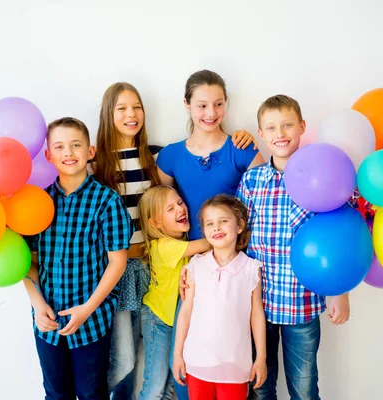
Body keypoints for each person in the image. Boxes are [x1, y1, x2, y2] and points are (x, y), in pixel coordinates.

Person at [157, 69, 265, 399]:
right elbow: (160, 210)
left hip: (235, 265)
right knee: (189, 359)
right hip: (191, 268)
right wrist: (183, 255)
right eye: (202, 105)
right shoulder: (171, 155)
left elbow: (261, 205)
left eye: (218, 104)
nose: (211, 113)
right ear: (187, 105)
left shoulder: (242, 148)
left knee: (234, 351)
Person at [236, 95, 350, 400]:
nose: (280, 133)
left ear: (301, 127)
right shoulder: (251, 181)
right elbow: (238, 238)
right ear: (261, 134)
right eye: (271, 128)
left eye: (287, 125)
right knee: (260, 387)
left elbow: (338, 238)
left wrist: (340, 291)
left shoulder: (323, 178)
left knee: (304, 387)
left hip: (302, 302)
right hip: (257, 304)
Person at [23, 117, 133, 400]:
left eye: (75, 145)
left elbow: (117, 262)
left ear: (90, 151)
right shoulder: (38, 202)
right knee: (56, 393)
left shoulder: (107, 201)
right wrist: (37, 305)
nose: (68, 153)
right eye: (59, 147)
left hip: (91, 320)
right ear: (49, 155)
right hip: (48, 321)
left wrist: (87, 308)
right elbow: (25, 261)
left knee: (90, 393)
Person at [92, 82, 162, 399]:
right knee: (122, 360)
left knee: (153, 356)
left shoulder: (156, 158)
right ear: (109, 114)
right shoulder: (95, 164)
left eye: (136, 107)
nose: (131, 114)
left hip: (152, 269)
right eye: (121, 108)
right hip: (115, 273)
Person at [172, 194, 267, 400]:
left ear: (240, 225)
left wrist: (261, 358)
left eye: (223, 221)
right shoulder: (195, 266)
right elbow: (185, 312)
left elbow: (257, 315)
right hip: (198, 362)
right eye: (210, 224)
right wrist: (177, 354)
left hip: (235, 364)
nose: (216, 228)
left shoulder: (251, 269)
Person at [137, 185, 211, 399]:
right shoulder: (162, 246)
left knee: (171, 385)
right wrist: (227, 230)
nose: (180, 209)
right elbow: (208, 243)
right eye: (170, 209)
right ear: (156, 223)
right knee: (155, 386)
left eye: (179, 202)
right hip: (158, 321)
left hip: (175, 321)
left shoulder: (181, 243)